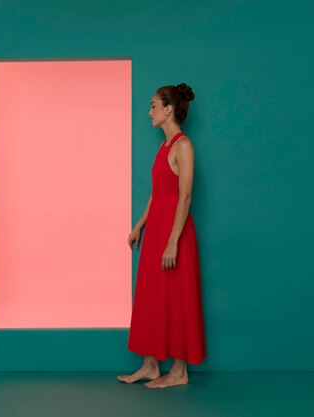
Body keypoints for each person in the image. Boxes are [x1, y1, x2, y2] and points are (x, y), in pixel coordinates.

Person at [117, 83, 207, 388]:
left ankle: (179, 372)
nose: (149, 112)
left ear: (169, 109)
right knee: (152, 295)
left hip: (175, 232)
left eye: (154, 106)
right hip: (156, 230)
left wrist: (173, 242)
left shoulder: (184, 146)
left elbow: (184, 197)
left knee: (178, 297)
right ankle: (151, 365)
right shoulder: (163, 146)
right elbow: (157, 194)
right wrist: (139, 224)